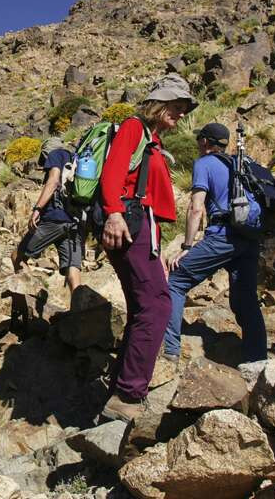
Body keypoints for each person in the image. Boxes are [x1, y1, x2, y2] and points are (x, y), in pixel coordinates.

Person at [100, 73, 197, 421]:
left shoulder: (151, 139)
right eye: (177, 105)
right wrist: (113, 214)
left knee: (144, 307)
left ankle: (120, 391)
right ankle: (127, 395)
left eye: (185, 108)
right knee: (157, 304)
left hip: (141, 226)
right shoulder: (133, 128)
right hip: (129, 223)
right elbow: (112, 173)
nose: (181, 113)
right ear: (160, 102)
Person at [163, 123, 267, 364]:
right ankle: (257, 360)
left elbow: (196, 207)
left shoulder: (204, 164)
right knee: (246, 298)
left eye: (199, 139)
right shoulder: (241, 163)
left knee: (176, 281)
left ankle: (170, 351)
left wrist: (187, 246)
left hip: (222, 235)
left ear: (205, 142)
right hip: (249, 237)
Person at [11, 137, 85, 294]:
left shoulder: (55, 154)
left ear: (46, 152)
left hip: (54, 219)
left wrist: (37, 209)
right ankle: (79, 307)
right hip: (74, 222)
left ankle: (30, 297)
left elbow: (53, 181)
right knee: (73, 271)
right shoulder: (76, 159)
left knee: (17, 256)